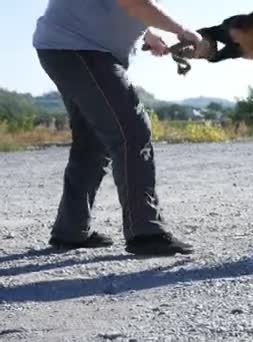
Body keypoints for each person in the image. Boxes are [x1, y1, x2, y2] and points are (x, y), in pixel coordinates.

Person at [32, 0, 211, 255]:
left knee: (92, 141)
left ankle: (71, 231)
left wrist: (149, 33)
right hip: (79, 48)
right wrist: (181, 31)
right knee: (132, 131)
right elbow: (134, 3)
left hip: (66, 46)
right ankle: (145, 232)